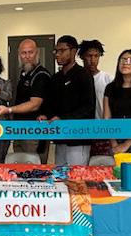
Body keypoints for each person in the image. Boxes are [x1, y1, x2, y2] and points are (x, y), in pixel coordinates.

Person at [39, 36, 95, 165]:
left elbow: (88, 107)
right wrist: (45, 115)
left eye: (62, 50)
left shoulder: (84, 75)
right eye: (56, 51)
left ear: (73, 51)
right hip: (60, 137)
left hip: (78, 138)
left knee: (76, 174)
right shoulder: (55, 78)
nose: (57, 54)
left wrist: (63, 118)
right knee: (60, 173)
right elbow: (51, 104)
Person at [0, 38, 51, 163]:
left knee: (33, 167)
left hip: (35, 132)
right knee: (19, 166)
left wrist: (8, 110)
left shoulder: (41, 75)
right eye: (24, 53)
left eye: (31, 52)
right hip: (19, 130)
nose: (27, 56)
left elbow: (34, 104)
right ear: (19, 55)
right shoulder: (24, 73)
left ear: (37, 53)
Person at [78, 39, 113, 161]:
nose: (92, 60)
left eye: (96, 56)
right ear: (82, 57)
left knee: (101, 164)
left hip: (102, 130)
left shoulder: (108, 79)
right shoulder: (77, 78)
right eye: (89, 56)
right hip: (81, 129)